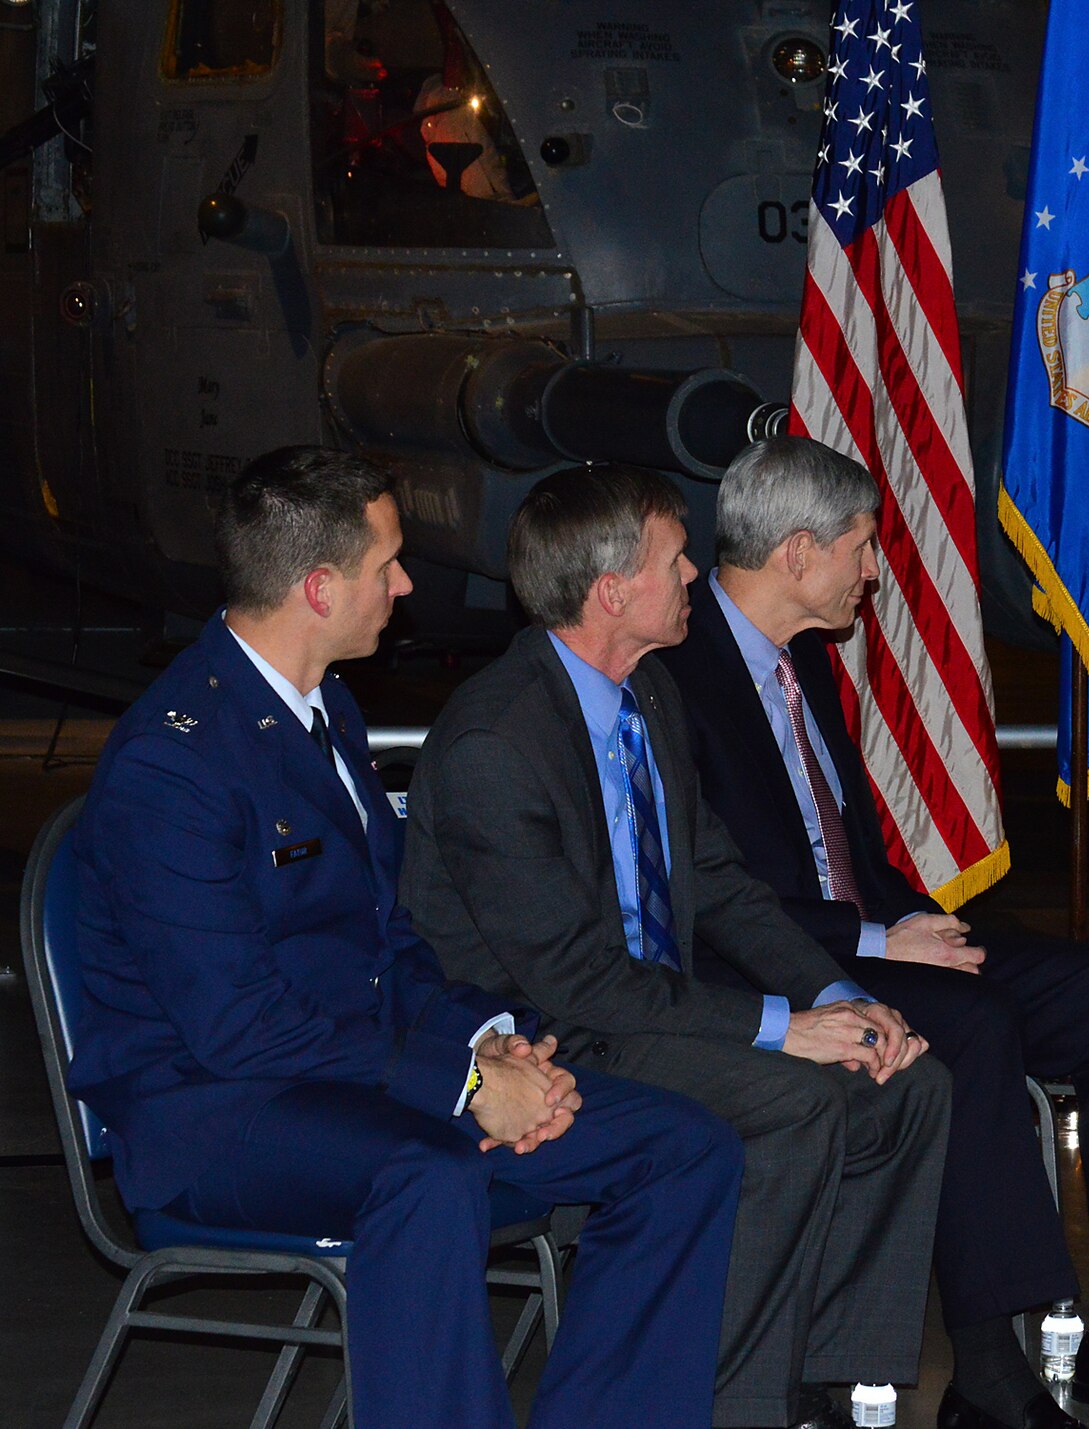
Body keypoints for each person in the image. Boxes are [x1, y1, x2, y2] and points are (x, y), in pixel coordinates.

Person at [64, 446, 742, 1428]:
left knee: (680, 1146)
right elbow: (238, 1028)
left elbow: (392, 944)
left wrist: (491, 1042)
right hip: (215, 1110)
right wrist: (464, 1086)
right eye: (387, 564)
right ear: (319, 586)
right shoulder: (172, 762)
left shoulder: (323, 708)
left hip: (357, 1081)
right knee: (429, 1175)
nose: (406, 584)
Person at [653, 436, 1089, 1429]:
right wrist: (873, 945)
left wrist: (905, 912)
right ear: (793, 553)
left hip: (865, 935)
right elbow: (710, 891)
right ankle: (990, 1376)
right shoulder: (676, 678)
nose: (874, 572)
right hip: (773, 964)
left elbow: (849, 844)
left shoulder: (804, 663)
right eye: (862, 548)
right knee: (976, 1021)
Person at [401, 466, 949, 1429]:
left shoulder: (648, 692)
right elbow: (578, 983)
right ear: (612, 591)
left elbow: (724, 886)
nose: (696, 571)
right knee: (792, 1098)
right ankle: (731, 1404)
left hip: (642, 1011)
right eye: (675, 557)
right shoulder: (497, 740)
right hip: (551, 1041)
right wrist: (785, 1031)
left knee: (904, 1079)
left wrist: (831, 995)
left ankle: (822, 1382)